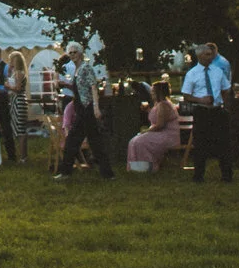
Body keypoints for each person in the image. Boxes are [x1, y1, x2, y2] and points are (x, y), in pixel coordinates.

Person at [54, 42, 113, 179]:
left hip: (87, 109)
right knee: (74, 141)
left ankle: (107, 173)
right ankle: (66, 172)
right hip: (80, 109)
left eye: (75, 52)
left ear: (80, 53)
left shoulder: (86, 68)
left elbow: (93, 87)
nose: (73, 55)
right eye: (70, 53)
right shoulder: (77, 70)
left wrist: (96, 108)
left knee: (93, 142)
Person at [185, 43, 235, 182]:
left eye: (211, 54)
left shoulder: (217, 71)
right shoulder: (192, 74)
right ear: (200, 56)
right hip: (202, 111)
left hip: (217, 110)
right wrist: (200, 100)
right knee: (200, 144)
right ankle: (199, 175)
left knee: (223, 143)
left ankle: (227, 175)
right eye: (207, 54)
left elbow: (226, 88)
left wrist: (224, 104)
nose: (210, 57)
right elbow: (186, 95)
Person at [125, 79, 180, 173]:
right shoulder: (157, 104)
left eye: (153, 92)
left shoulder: (164, 105)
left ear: (159, 93)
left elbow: (160, 125)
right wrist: (147, 110)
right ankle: (137, 167)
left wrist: (147, 131)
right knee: (134, 140)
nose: (151, 94)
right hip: (160, 133)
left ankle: (149, 167)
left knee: (140, 141)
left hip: (167, 135)